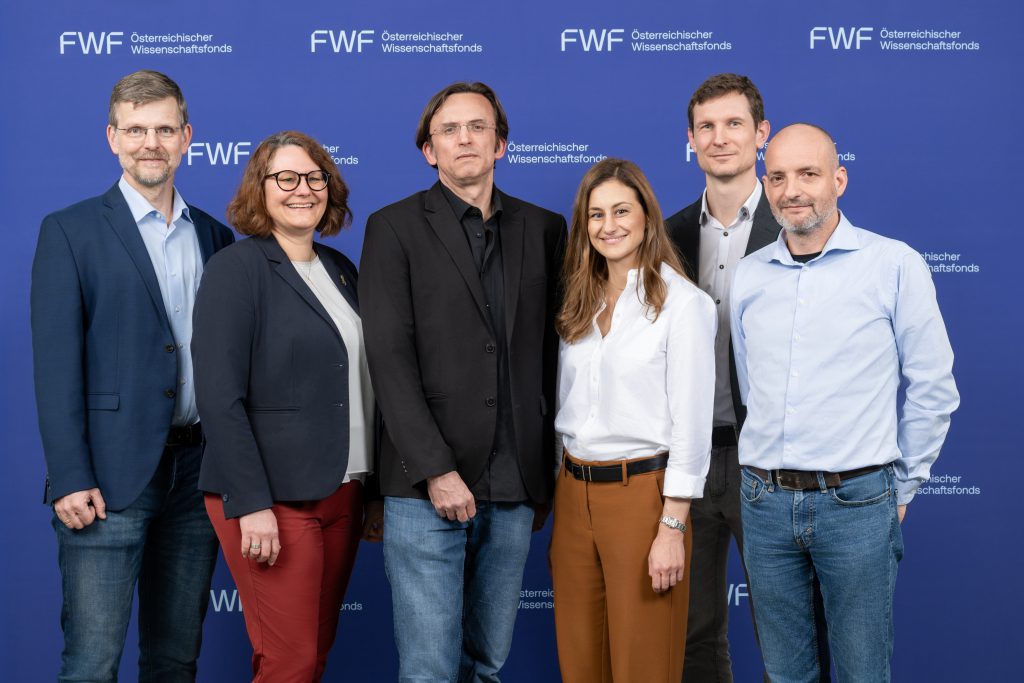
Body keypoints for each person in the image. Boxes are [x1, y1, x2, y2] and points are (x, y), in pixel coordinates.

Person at [731, 123, 959, 682]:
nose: (792, 191)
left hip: (857, 504)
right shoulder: (749, 275)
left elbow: (934, 387)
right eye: (778, 177)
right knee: (785, 675)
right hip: (763, 503)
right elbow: (749, 384)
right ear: (765, 184)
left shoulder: (894, 264)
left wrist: (901, 486)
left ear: (839, 179)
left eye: (808, 174)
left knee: (862, 672)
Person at [30, 69, 234, 682]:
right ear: (112, 138)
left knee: (175, 661)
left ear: (187, 137)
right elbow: (55, 363)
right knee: (91, 664)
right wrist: (69, 477)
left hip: (198, 478)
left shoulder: (216, 236)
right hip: (107, 482)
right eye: (137, 129)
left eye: (165, 129)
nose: (152, 143)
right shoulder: (70, 231)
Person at [359, 81, 566, 682]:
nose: (464, 139)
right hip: (425, 485)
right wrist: (436, 469)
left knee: (488, 662)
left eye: (477, 127)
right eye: (449, 130)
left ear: (501, 143)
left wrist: (543, 476)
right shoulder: (392, 227)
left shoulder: (545, 229)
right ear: (430, 150)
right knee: (429, 669)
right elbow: (388, 359)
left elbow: (555, 357)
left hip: (514, 483)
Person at [666, 73, 830, 681]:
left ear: (761, 134)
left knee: (788, 636)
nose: (720, 137)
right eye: (706, 126)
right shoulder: (666, 234)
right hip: (686, 461)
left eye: (734, 123)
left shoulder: (804, 224)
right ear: (691, 139)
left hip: (773, 463)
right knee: (691, 634)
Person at [192, 131, 373, 682]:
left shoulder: (341, 269)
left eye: (314, 177)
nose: (302, 190)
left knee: (312, 654)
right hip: (271, 499)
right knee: (288, 661)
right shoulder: (236, 269)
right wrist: (251, 503)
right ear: (261, 189)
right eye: (286, 178)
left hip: (344, 490)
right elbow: (220, 396)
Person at [550, 158, 716, 682]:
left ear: (647, 216)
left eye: (622, 210)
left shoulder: (683, 305)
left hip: (644, 497)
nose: (609, 225)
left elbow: (693, 424)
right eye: (596, 215)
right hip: (574, 495)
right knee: (581, 665)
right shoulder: (578, 302)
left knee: (643, 666)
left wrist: (672, 526)